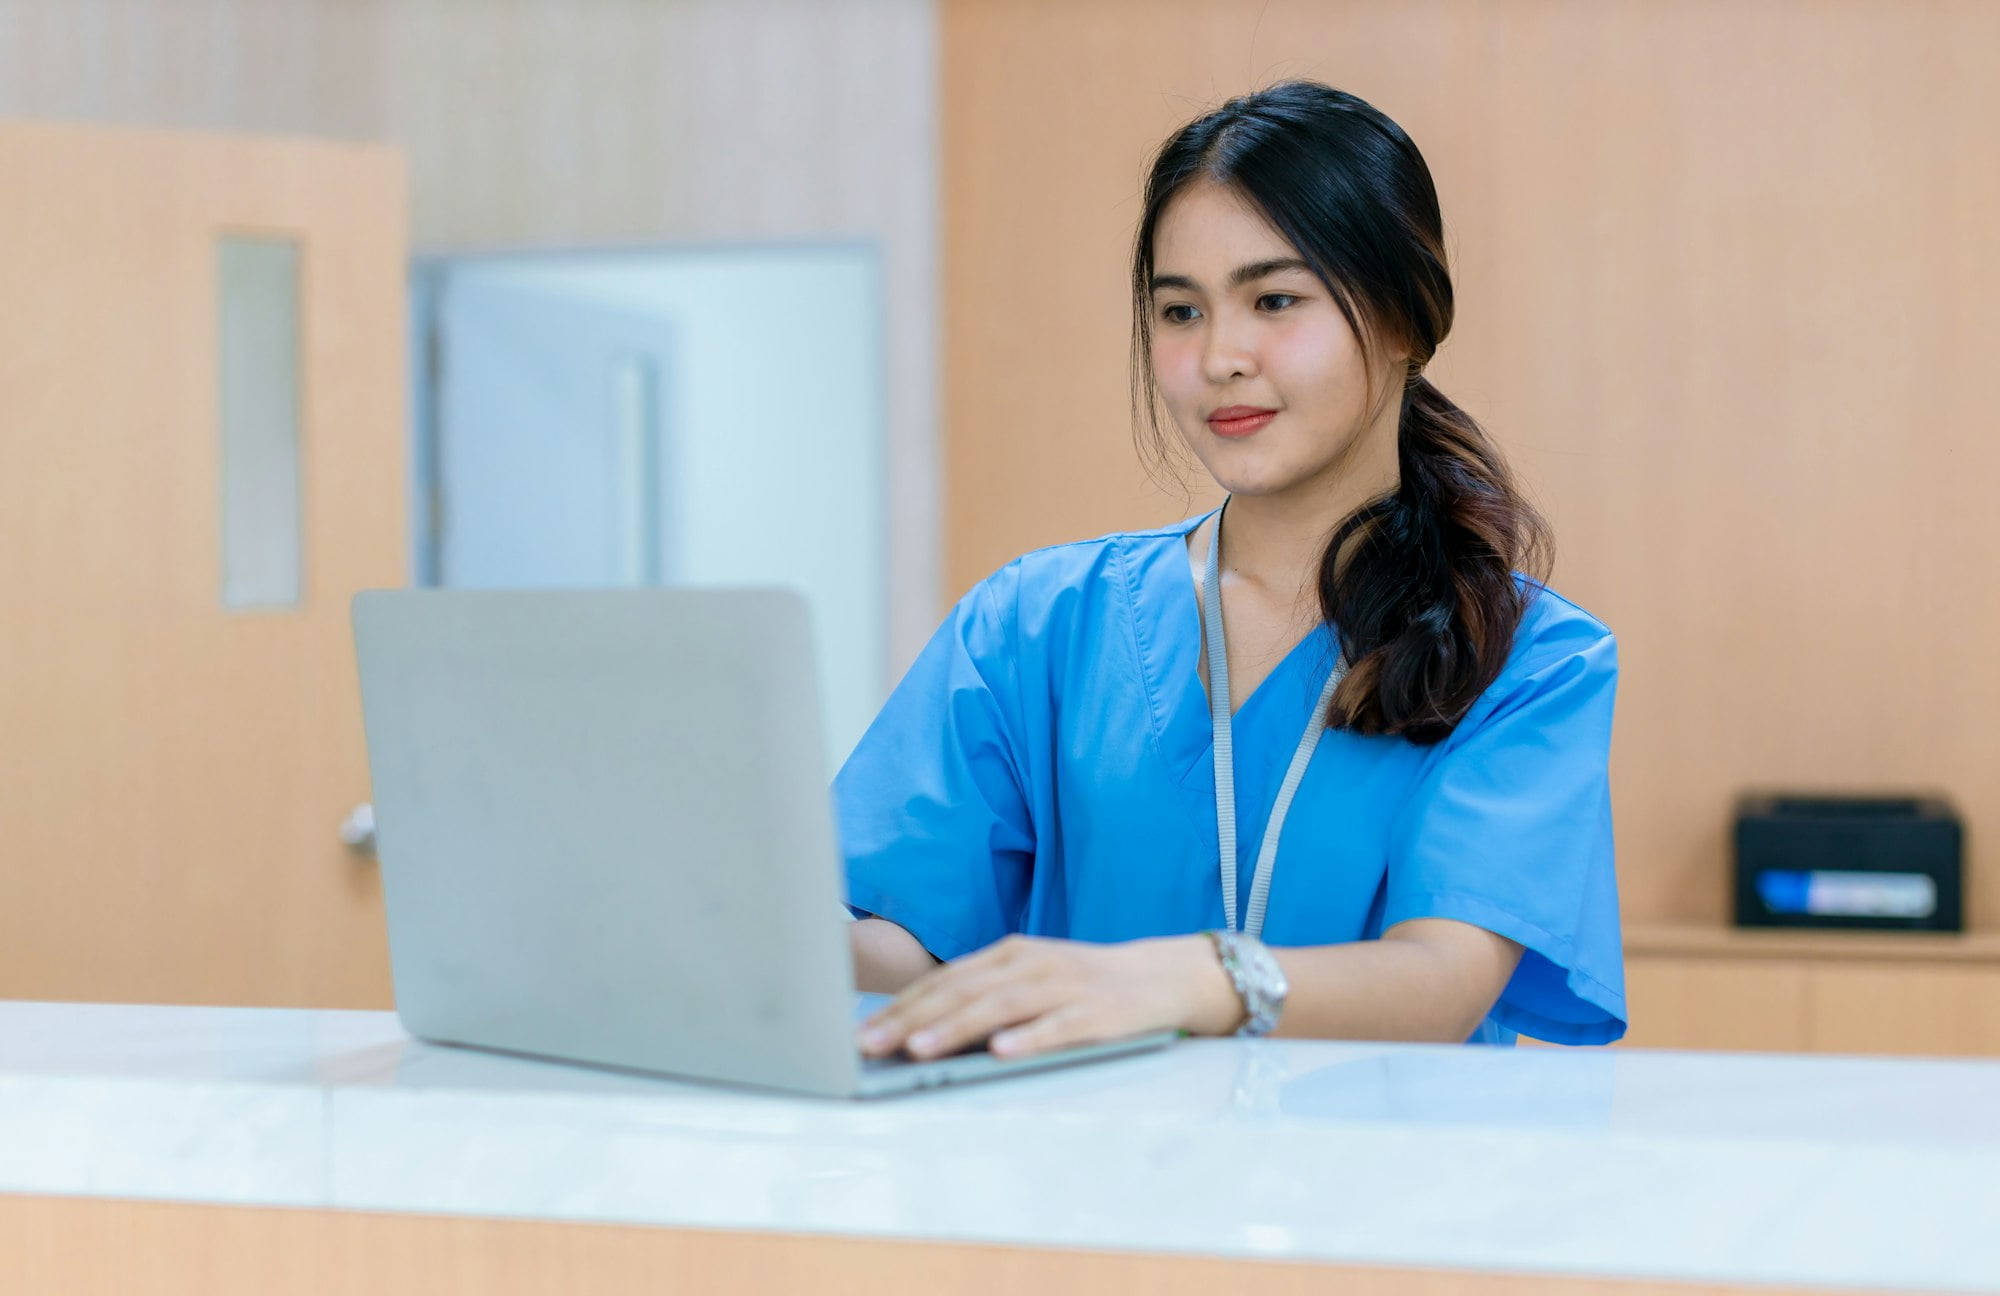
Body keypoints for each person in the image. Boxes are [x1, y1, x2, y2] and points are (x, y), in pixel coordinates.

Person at [841, 80, 1626, 1062]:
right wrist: (743, 941)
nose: (1218, 356)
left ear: (1399, 320)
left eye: (1274, 300)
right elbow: (909, 953)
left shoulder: (1531, 660)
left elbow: (1439, 983)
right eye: (1178, 311)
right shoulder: (1032, 626)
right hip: (1079, 1194)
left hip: (1386, 1201)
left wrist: (1181, 978)